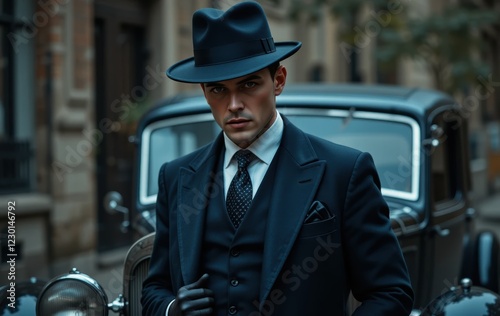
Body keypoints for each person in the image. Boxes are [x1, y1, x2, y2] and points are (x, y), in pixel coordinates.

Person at [141, 1, 414, 315]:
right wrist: (171, 308)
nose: (233, 104)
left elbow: (391, 292)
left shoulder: (344, 172)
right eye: (218, 89)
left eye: (249, 84)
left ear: (279, 80)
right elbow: (154, 287)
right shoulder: (176, 177)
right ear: (204, 92)